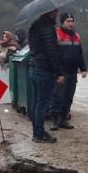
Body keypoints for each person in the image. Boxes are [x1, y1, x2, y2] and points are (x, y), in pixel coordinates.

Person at [28, 9, 66, 143]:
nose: (57, 12)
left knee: (35, 102)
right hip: (44, 69)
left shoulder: (34, 26)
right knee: (42, 104)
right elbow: (51, 52)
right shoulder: (48, 28)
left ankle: (36, 130)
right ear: (50, 12)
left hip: (33, 67)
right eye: (55, 10)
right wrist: (59, 72)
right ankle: (39, 133)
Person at [50, 12, 87, 130]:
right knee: (57, 96)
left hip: (72, 72)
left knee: (68, 97)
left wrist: (83, 69)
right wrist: (58, 73)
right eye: (68, 21)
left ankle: (63, 119)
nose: (70, 23)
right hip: (60, 73)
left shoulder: (76, 36)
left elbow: (80, 54)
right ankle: (54, 120)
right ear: (63, 22)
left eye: (72, 21)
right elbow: (53, 55)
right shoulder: (56, 34)